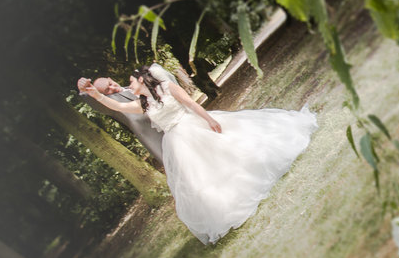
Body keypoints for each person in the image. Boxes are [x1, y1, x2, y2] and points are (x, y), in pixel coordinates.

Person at [80, 63, 317, 244]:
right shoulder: (142, 104)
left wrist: (210, 119)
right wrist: (95, 94)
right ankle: (224, 204)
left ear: (142, 80)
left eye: (132, 80)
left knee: (228, 151)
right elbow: (118, 106)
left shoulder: (166, 88)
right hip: (176, 141)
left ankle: (257, 165)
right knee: (199, 177)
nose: (127, 84)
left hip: (192, 126)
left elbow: (192, 105)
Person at [77, 75, 165, 165]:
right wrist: (84, 90)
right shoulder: (112, 105)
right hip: (158, 138)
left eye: (110, 84)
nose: (113, 88)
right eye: (107, 90)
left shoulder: (134, 87)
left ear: (110, 79)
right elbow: (96, 102)